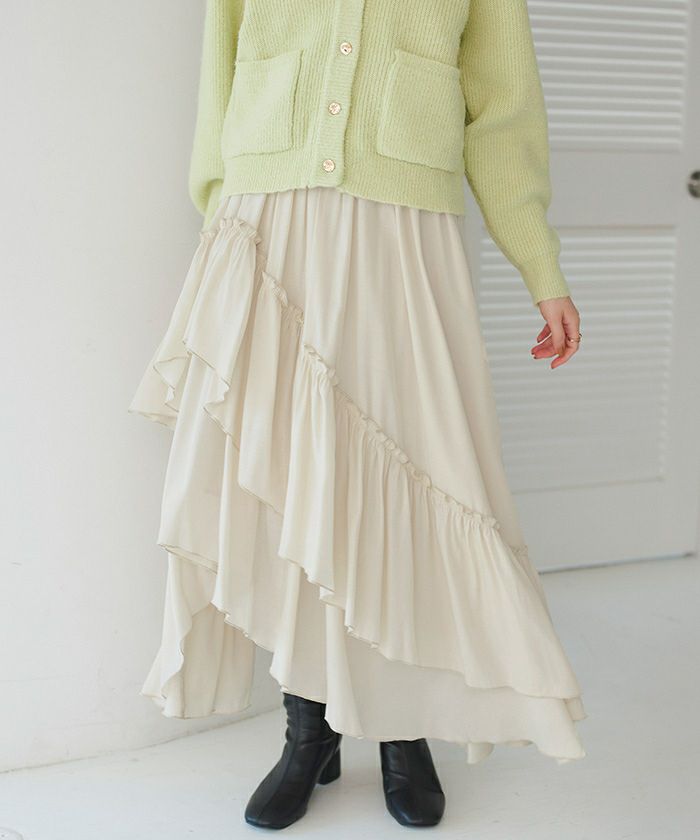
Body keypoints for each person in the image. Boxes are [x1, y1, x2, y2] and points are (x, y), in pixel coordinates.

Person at [129, 0, 586, 830]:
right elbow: (218, 79)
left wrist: (539, 265)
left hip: (402, 236)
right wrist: (222, 227)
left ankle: (404, 732)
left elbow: (504, 113)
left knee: (411, 481)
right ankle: (308, 733)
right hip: (268, 225)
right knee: (290, 483)